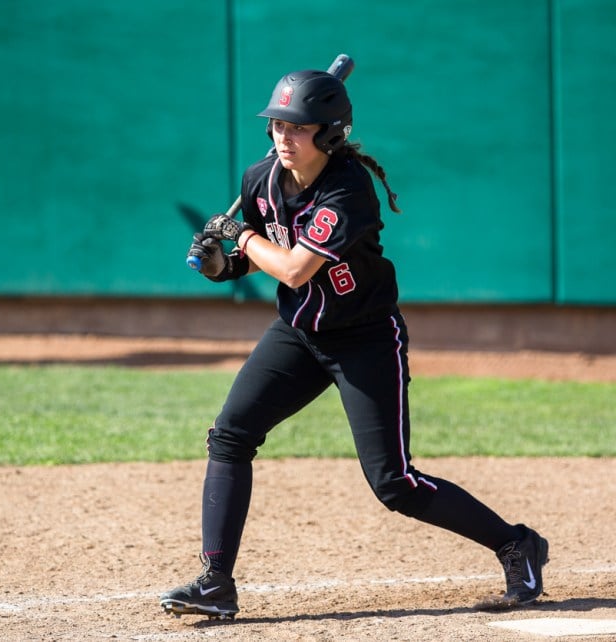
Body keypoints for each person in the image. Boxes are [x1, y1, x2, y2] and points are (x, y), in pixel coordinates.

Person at [160, 69, 548, 620]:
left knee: (396, 484)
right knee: (229, 436)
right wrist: (222, 263)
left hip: (365, 338)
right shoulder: (260, 179)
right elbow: (256, 257)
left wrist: (236, 233)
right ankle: (215, 583)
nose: (283, 137)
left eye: (299, 128)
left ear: (332, 134)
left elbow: (294, 268)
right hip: (299, 332)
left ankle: (517, 544)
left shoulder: (349, 189)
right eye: (277, 125)